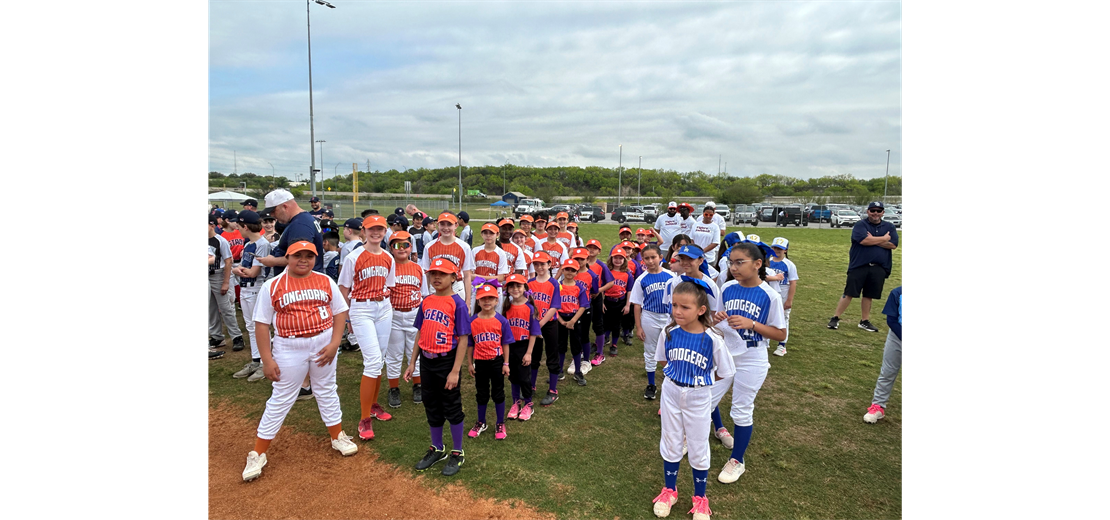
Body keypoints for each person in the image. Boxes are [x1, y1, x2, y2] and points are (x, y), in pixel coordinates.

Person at [241, 240, 356, 482]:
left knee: (326, 389)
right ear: (287, 257)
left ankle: (338, 436)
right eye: (297, 255)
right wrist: (266, 359)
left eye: (309, 255)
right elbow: (261, 324)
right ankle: (258, 452)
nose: (303, 260)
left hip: (323, 342)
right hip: (289, 346)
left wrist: (335, 343)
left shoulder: (325, 280)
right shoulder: (273, 285)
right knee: (281, 397)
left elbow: (339, 311)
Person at [651, 279, 735, 520]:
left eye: (685, 307)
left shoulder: (713, 337)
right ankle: (669, 490)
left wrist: (700, 380)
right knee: (670, 440)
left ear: (701, 310)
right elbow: (664, 361)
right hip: (671, 391)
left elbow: (725, 371)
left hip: (699, 395)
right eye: (675, 305)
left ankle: (700, 498)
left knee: (698, 446)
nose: (677, 311)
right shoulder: (669, 332)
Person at [712, 242, 787, 485]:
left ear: (758, 264)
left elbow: (780, 334)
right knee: (706, 396)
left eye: (739, 262)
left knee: (741, 408)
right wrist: (719, 317)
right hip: (726, 352)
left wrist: (752, 324)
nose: (733, 267)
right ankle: (700, 435)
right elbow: (717, 319)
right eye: (731, 262)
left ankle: (737, 460)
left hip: (753, 357)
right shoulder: (728, 287)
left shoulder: (770, 295)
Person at [404, 258, 471, 476]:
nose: (437, 278)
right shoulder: (427, 301)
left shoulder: (458, 303)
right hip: (426, 360)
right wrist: (413, 362)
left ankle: (457, 452)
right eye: (433, 273)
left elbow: (463, 338)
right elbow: (420, 333)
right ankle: (437, 447)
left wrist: (455, 371)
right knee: (430, 403)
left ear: (454, 277)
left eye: (442, 274)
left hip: (446, 361)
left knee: (451, 405)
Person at [338, 215, 397, 441]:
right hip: (361, 309)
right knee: (372, 361)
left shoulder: (388, 257)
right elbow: (343, 289)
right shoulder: (354, 257)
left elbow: (388, 286)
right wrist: (346, 319)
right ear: (363, 231)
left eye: (380, 229)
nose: (376, 233)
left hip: (383, 309)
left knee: (379, 359)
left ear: (385, 232)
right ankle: (364, 419)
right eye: (372, 229)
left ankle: (373, 404)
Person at [828, 201, 899, 332]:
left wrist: (875, 239)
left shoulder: (889, 226)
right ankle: (835, 318)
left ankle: (864, 321)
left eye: (879, 211)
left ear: (883, 212)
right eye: (873, 210)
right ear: (868, 212)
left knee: (869, 295)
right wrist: (883, 239)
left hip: (879, 268)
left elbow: (893, 244)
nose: (875, 213)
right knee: (849, 293)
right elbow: (864, 240)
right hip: (859, 265)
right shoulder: (860, 225)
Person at [466, 284, 515, 440]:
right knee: (481, 393)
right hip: (480, 362)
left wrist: (506, 363)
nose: (487, 301)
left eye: (490, 298)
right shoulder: (472, 321)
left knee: (498, 392)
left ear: (496, 300)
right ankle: (481, 422)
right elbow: (469, 345)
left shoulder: (501, 321)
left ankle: (500, 423)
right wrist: (469, 363)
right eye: (483, 299)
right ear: (478, 302)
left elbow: (506, 343)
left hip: (496, 361)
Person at [386, 231, 427, 406]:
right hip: (394, 314)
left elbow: (424, 293)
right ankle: (393, 388)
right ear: (391, 248)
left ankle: (418, 385)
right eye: (397, 245)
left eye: (405, 245)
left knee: (414, 351)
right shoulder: (388, 267)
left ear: (411, 247)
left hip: (414, 313)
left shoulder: (417, 268)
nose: (401, 249)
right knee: (394, 354)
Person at [231, 210, 272, 382]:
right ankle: (256, 360)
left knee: (260, 326)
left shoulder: (262, 244)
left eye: (239, 226)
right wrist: (238, 270)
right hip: (246, 288)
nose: (238, 229)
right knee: (250, 326)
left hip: (257, 288)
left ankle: (265, 362)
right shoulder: (248, 245)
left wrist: (238, 271)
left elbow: (253, 272)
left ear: (245, 227)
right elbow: (240, 268)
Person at [630, 245, 673, 401]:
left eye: (653, 257)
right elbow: (636, 304)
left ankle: (671, 381)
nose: (650, 261)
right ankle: (651, 384)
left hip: (669, 317)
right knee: (650, 350)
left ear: (660, 257)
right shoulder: (641, 279)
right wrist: (639, 326)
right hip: (650, 316)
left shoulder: (671, 276)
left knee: (671, 350)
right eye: (646, 258)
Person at [256, 189, 325, 274]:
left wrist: (273, 261)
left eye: (273, 211)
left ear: (285, 207)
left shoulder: (300, 225)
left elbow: (301, 259)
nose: (272, 215)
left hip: (302, 282)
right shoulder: (301, 220)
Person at [503, 274, 542, 421]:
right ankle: (516, 402)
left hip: (525, 346)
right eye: (511, 286)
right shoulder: (506, 307)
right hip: (511, 346)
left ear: (525, 287)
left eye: (518, 286)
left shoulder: (530, 307)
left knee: (525, 377)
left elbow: (533, 332)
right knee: (513, 376)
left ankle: (528, 403)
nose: (515, 289)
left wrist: (529, 353)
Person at [527, 252, 562, 407]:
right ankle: (531, 386)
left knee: (552, 355)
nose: (539, 267)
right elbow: (526, 305)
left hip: (549, 324)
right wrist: (534, 324)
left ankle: (553, 390)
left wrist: (540, 324)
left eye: (543, 264)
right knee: (534, 355)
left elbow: (554, 306)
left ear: (549, 265)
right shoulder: (529, 283)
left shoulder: (554, 283)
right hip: (533, 324)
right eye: (536, 264)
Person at [419, 212, 476, 306]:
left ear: (456, 225)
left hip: (457, 287)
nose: (446, 228)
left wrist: (468, 302)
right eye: (442, 224)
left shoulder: (464, 247)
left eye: (449, 224)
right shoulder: (429, 247)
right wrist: (426, 296)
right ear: (437, 225)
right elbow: (427, 274)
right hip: (435, 288)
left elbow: (467, 275)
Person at [864, 285, 902, 424]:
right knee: (888, 372)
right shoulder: (897, 293)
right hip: (897, 337)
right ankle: (878, 407)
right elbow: (891, 320)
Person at [209, 214, 244, 351]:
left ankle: (237, 336)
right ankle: (217, 336)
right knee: (210, 309)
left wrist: (225, 282)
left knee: (226, 308)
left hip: (219, 274)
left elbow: (228, 261)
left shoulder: (220, 240)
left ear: (212, 225)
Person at [555, 259, 590, 387]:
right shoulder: (557, 286)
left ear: (577, 272)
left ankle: (577, 371)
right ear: (562, 270)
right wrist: (561, 321)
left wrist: (573, 321)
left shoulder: (579, 287)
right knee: (561, 345)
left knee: (576, 345)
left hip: (575, 319)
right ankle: (559, 371)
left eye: (573, 270)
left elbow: (583, 305)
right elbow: (553, 306)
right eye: (567, 269)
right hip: (561, 318)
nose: (569, 272)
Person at [566, 248, 597, 378]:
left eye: (581, 259)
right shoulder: (570, 272)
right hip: (571, 309)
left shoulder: (592, 275)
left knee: (584, 335)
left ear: (587, 260)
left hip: (585, 309)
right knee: (574, 336)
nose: (578, 261)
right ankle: (576, 358)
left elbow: (595, 292)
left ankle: (586, 361)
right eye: (576, 259)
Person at [583, 239, 615, 365]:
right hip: (583, 299)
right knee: (583, 325)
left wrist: (599, 290)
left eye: (594, 248)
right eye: (589, 247)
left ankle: (600, 353)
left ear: (599, 251)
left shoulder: (601, 266)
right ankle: (583, 350)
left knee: (598, 324)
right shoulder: (580, 264)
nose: (591, 250)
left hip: (595, 298)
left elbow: (611, 282)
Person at [769, 238, 799, 356]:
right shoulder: (768, 261)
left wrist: (789, 300)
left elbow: (793, 282)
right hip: (769, 292)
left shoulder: (789, 265)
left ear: (785, 250)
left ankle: (782, 345)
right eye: (775, 248)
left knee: (783, 318)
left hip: (783, 292)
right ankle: (765, 342)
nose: (777, 250)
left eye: (780, 249)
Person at [472, 223, 512, 308]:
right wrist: (489, 278)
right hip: (477, 289)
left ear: (497, 234)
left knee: (495, 317)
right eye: (485, 233)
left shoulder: (501, 253)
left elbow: (501, 278)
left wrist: (478, 277)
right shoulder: (475, 251)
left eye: (491, 233)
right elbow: (470, 275)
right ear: (481, 234)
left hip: (495, 290)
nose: (488, 236)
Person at [603, 249, 632, 358]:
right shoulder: (607, 271)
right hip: (607, 300)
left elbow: (629, 290)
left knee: (616, 325)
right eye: (615, 257)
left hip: (620, 301)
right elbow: (602, 287)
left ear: (624, 260)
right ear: (611, 258)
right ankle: (605, 337)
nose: (618, 260)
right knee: (606, 322)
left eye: (621, 258)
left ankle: (614, 344)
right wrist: (601, 302)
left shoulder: (627, 274)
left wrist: (628, 305)